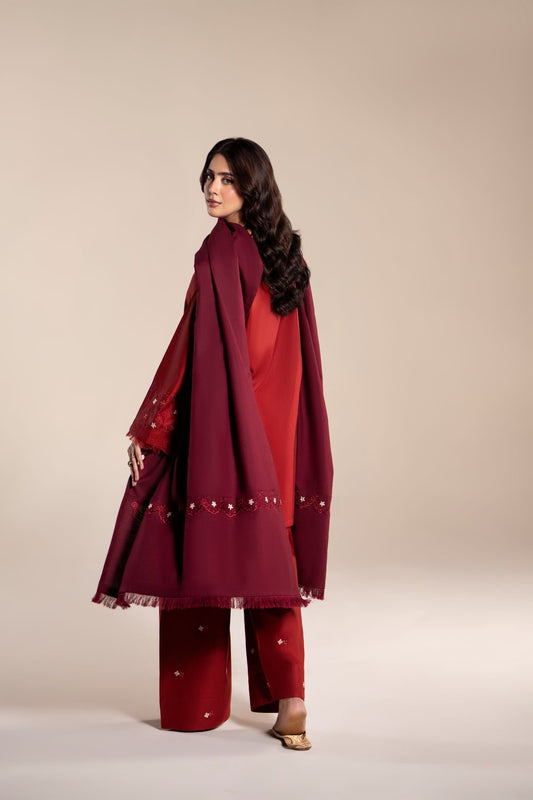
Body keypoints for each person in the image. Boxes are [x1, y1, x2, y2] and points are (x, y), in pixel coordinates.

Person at [92, 137, 334, 751]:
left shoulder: (220, 253)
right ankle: (292, 702)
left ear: (254, 185)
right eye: (209, 176)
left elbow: (194, 348)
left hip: (225, 430)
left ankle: (196, 709)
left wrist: (152, 425)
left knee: (198, 551)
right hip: (277, 441)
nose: (212, 188)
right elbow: (294, 362)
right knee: (270, 563)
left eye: (227, 179)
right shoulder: (288, 260)